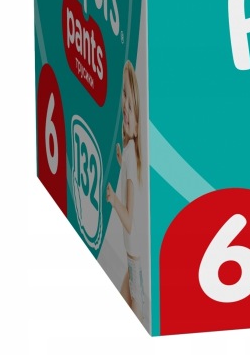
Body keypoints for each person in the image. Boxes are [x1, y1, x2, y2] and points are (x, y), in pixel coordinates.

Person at [106, 61, 145, 321]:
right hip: (133, 258)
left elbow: (129, 220)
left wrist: (112, 199)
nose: (125, 109)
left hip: (134, 259)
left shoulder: (132, 154)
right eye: (124, 101)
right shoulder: (131, 154)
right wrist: (122, 162)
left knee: (137, 314)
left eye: (130, 106)